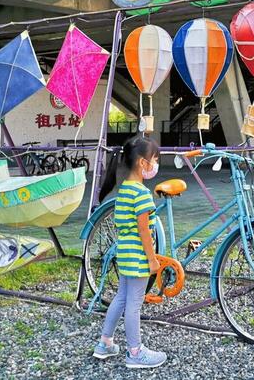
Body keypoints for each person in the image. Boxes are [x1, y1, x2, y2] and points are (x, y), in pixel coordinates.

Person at [93, 136, 167, 369]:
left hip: (124, 252)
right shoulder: (142, 194)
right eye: (154, 160)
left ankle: (105, 343)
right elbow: (144, 230)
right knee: (134, 303)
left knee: (122, 298)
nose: (155, 165)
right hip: (137, 255)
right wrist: (152, 259)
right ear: (143, 163)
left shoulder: (124, 190)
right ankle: (135, 353)